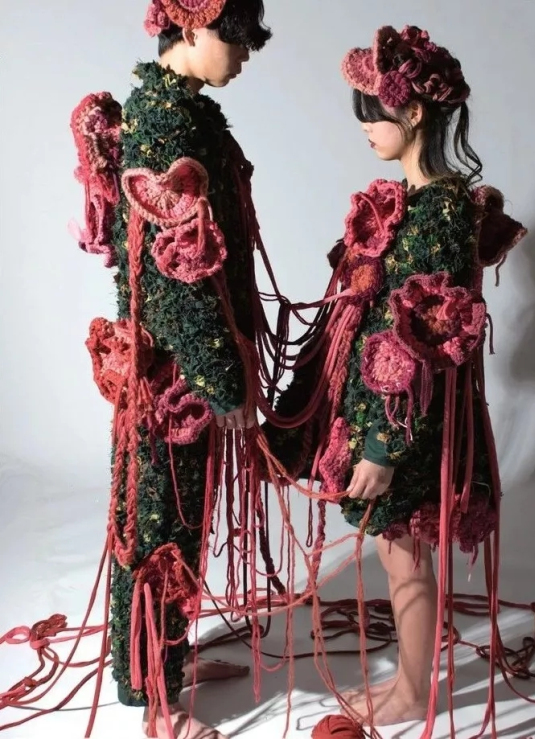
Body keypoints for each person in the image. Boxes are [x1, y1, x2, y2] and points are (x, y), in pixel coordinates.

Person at [264, 24, 526, 728]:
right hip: (383, 405)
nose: (365, 128)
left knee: (404, 548)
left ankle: (413, 691)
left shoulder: (438, 210)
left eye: (373, 114)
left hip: (405, 414)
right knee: (394, 545)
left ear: (412, 112)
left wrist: (382, 447)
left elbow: (420, 339)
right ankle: (414, 680)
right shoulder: (414, 201)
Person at [71, 1, 272, 738]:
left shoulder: (190, 112)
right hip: (170, 376)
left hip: (185, 366)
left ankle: (169, 658)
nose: (244, 55)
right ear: (190, 28)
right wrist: (223, 379)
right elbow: (173, 280)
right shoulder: (164, 122)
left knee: (178, 517)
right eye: (235, 38)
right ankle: (151, 697)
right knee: (156, 523)